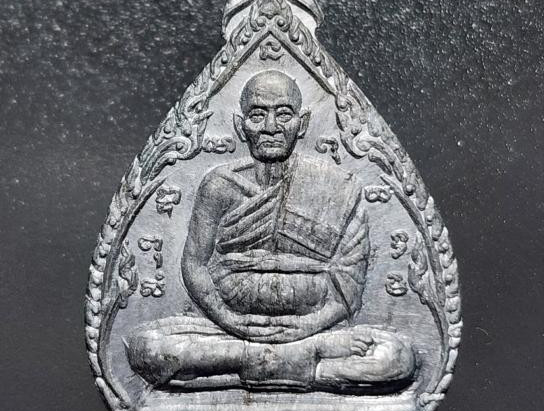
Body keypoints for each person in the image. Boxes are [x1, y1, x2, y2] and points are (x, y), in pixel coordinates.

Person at [127, 71, 415, 391]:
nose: (271, 127)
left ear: (302, 124)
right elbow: (195, 264)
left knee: (397, 357)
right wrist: (231, 321)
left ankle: (248, 367)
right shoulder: (219, 185)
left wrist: (309, 327)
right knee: (148, 349)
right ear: (240, 125)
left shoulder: (339, 187)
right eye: (257, 115)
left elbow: (351, 277)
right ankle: (305, 365)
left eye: (284, 115)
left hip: (315, 330)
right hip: (230, 331)